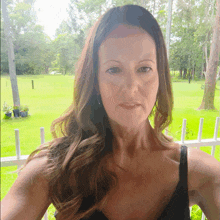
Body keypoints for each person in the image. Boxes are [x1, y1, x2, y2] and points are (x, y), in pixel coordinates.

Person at [1, 4, 220, 220]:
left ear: (160, 77)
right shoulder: (55, 169)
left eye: (144, 68)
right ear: (95, 80)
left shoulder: (200, 174)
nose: (131, 87)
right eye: (114, 69)